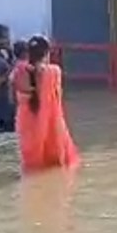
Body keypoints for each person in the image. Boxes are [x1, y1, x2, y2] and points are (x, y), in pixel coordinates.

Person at [12, 35, 81, 171]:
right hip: (51, 121)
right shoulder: (54, 71)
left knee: (31, 163)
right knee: (55, 163)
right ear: (46, 53)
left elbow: (15, 92)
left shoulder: (18, 72)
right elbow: (55, 96)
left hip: (26, 120)